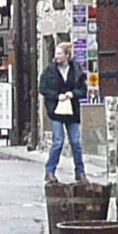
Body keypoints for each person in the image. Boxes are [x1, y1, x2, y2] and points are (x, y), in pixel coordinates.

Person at [40, 37, 89, 183]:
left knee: (75, 142)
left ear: (67, 55)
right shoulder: (49, 71)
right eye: (56, 54)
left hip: (72, 110)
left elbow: (83, 89)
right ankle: (50, 171)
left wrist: (72, 94)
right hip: (55, 110)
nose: (57, 57)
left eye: (60, 54)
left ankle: (80, 172)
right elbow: (43, 88)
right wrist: (56, 96)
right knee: (58, 141)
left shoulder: (76, 70)